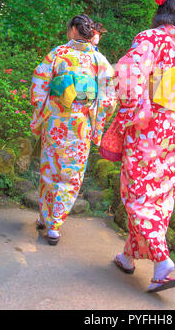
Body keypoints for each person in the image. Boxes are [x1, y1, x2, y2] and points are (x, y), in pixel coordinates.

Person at [112, 0, 175, 292]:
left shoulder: (149, 39)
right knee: (159, 195)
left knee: (137, 192)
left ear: (160, 10)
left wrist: (132, 115)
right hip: (173, 130)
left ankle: (162, 261)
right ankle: (128, 257)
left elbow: (128, 76)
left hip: (148, 128)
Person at [30, 14, 116, 245]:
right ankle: (54, 226)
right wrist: (96, 117)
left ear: (73, 31)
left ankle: (45, 217)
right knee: (71, 173)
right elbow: (108, 99)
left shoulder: (57, 54)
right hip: (81, 124)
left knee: (50, 169)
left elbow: (39, 83)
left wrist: (46, 107)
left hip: (56, 121)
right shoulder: (99, 60)